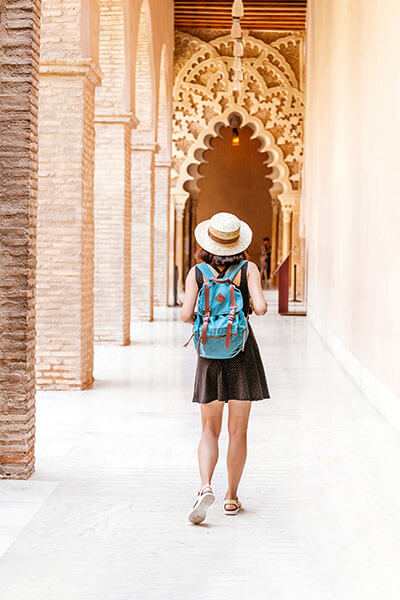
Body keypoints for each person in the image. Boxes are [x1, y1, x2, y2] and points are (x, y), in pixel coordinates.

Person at [181, 212, 270, 524]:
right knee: (237, 430)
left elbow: (184, 315)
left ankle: (205, 486)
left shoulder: (198, 272)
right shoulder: (248, 270)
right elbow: (259, 307)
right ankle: (231, 497)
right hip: (241, 354)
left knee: (209, 428)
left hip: (209, 355)